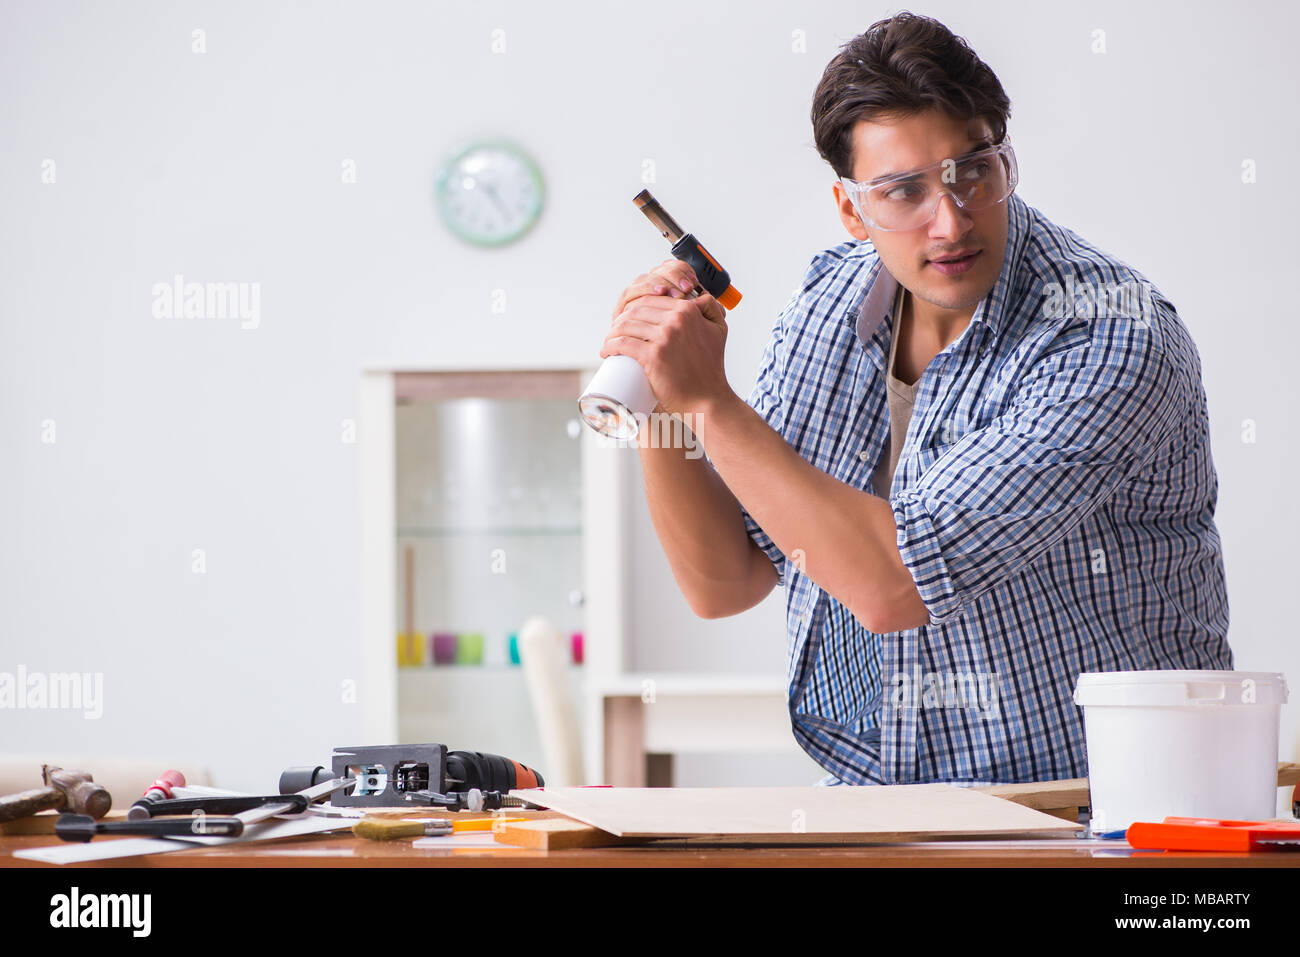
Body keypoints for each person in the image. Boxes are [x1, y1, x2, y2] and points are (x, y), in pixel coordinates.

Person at [598, 11, 1231, 785]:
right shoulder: (825, 308)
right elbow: (724, 581)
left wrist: (710, 405)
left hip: (1096, 806)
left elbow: (896, 584)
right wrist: (664, 401)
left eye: (976, 170)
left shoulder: (1109, 338)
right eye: (903, 191)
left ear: (1007, 159)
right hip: (884, 800)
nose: (952, 218)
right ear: (850, 210)